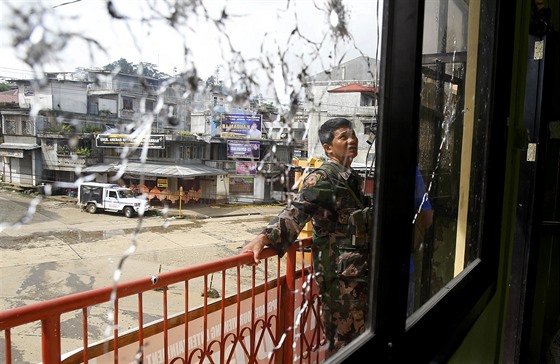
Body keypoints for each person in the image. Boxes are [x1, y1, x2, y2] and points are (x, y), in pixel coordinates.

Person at [241, 117, 371, 357]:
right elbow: (294, 213)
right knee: (344, 346)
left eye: (352, 135)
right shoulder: (322, 179)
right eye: (343, 137)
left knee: (360, 341)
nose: (352, 140)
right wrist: (263, 238)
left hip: (358, 276)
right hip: (340, 284)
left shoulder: (350, 178)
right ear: (328, 148)